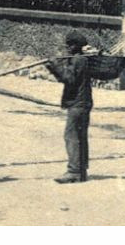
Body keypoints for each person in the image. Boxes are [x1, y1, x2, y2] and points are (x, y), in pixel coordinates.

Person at [46, 30, 94, 183]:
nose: (67, 48)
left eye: (69, 45)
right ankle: (81, 170)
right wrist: (55, 67)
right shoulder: (80, 59)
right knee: (80, 136)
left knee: (71, 136)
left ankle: (74, 171)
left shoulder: (79, 60)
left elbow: (69, 79)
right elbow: (67, 76)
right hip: (82, 102)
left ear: (75, 46)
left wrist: (55, 66)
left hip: (78, 103)